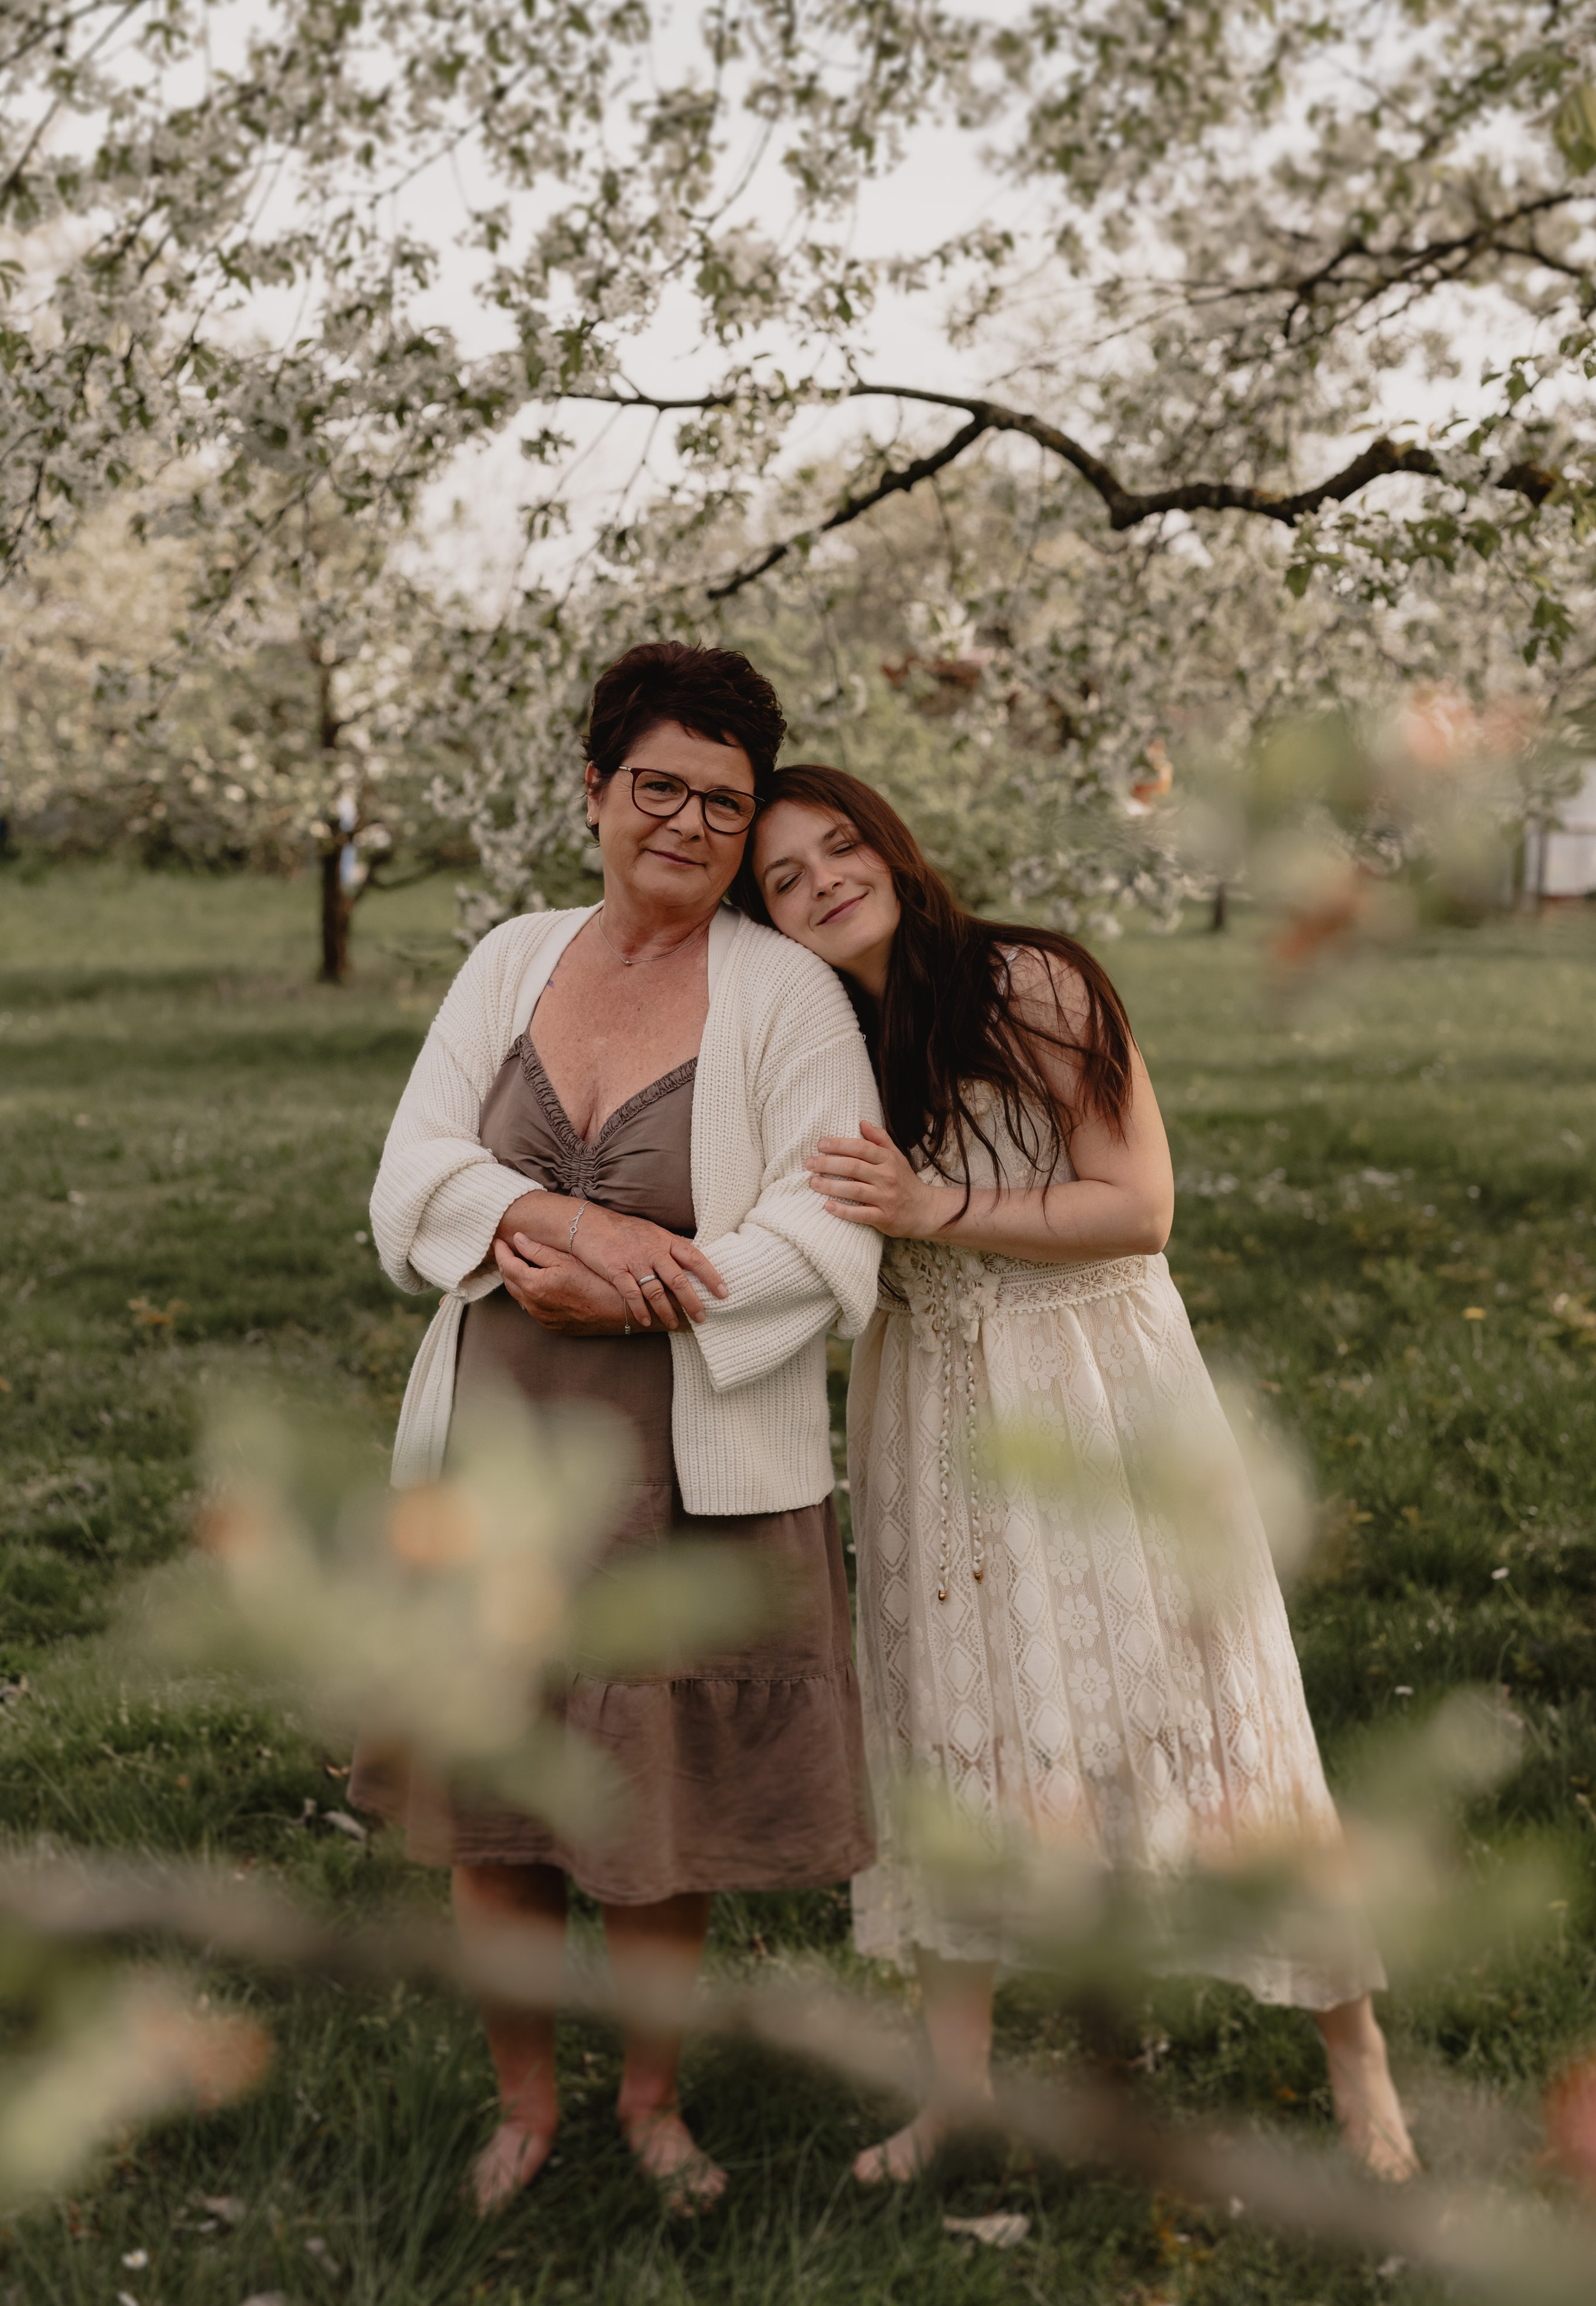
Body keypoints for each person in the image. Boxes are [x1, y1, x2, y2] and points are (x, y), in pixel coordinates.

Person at [739, 764, 1420, 2187]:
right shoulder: (817, 1038)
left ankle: (1350, 2046)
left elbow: (1141, 1205)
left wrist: (941, 1205)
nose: (818, 884)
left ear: (889, 840)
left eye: (835, 847)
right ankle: (957, 2094)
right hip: (927, 1405)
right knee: (952, 1719)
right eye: (781, 879)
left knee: (1201, 1703)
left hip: (1093, 1391)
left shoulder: (1026, 981)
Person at [355, 651, 881, 2215]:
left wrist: (648, 1295)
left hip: (685, 1466)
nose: (690, 822)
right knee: (494, 1805)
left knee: (664, 1815)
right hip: (495, 1462)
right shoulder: (513, 957)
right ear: (592, 790)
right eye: (658, 786)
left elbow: (834, 1238)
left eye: (723, 802)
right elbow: (410, 1179)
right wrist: (536, 1215)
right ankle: (524, 2106)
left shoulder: (782, 992)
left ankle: (650, 2102)